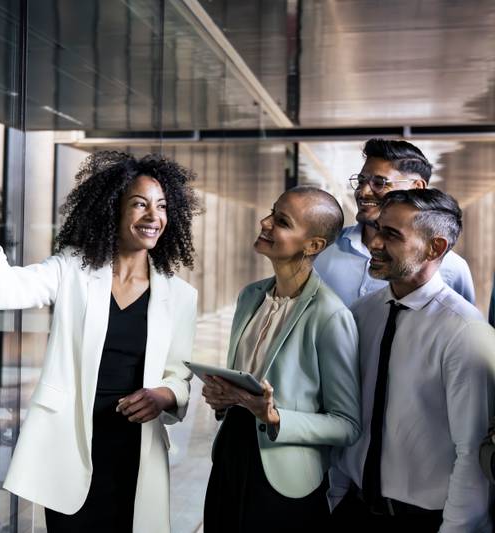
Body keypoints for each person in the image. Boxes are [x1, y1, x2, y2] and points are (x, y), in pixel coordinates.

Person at [0, 145, 199, 533]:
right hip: (71, 445)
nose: (153, 216)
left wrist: (164, 395)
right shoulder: (74, 270)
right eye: (140, 204)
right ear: (114, 209)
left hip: (135, 449)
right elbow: (1, 290)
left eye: (161, 207)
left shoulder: (180, 296)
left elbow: (180, 377)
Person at [329, 189, 494, 532]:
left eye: (391, 235)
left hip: (421, 521)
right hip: (354, 510)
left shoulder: (465, 333)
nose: (374, 243)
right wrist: (336, 499)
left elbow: (471, 454)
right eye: (377, 230)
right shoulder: (361, 314)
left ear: (435, 248)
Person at [202, 186, 361, 532]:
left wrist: (275, 417)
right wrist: (222, 400)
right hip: (230, 456)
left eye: (282, 221)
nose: (265, 222)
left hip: (284, 477)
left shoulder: (330, 316)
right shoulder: (250, 297)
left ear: (313, 246)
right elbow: (241, 384)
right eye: (272, 212)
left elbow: (347, 425)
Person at [315, 138, 475, 306]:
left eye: (379, 183)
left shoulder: (452, 268)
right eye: (361, 181)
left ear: (417, 188)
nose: (363, 192)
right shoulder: (324, 250)